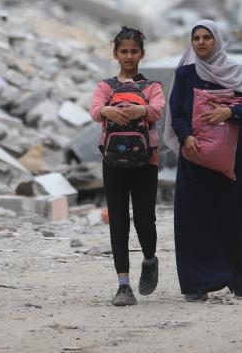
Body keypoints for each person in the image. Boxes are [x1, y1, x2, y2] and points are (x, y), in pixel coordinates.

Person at [168, 19, 242, 302]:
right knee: (194, 218)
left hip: (229, 159)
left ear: (216, 40)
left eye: (206, 37)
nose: (201, 42)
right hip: (194, 156)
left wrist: (229, 113)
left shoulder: (233, 71)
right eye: (196, 38)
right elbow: (177, 112)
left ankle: (236, 275)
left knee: (230, 215)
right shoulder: (185, 73)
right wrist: (186, 136)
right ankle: (197, 283)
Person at [89, 27, 165, 307]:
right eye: (124, 52)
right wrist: (107, 110)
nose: (129, 56)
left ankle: (150, 259)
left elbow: (158, 109)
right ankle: (123, 285)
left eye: (134, 51)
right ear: (115, 54)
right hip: (113, 162)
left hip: (146, 162)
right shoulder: (105, 87)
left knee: (145, 219)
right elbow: (94, 110)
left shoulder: (152, 87)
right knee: (118, 221)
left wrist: (141, 110)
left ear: (142, 54)